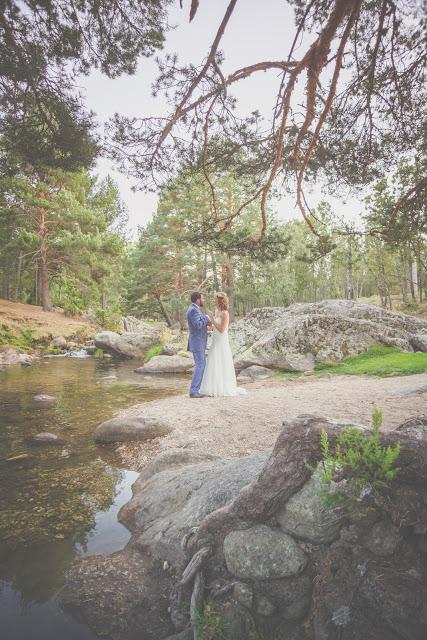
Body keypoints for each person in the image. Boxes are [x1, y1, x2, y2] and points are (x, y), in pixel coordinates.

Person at [199, 292, 247, 397]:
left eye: (215, 299)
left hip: (221, 340)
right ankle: (212, 387)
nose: (213, 300)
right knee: (213, 361)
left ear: (220, 300)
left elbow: (222, 329)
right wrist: (208, 328)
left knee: (221, 360)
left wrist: (212, 319)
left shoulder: (225, 313)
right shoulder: (216, 311)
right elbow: (214, 327)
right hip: (215, 339)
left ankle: (223, 388)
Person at [186, 291, 212, 398]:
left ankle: (196, 389)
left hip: (198, 341)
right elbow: (198, 325)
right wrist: (207, 318)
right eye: (203, 298)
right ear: (198, 299)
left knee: (201, 365)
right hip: (197, 342)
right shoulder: (193, 310)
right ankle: (194, 391)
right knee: (200, 365)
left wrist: (207, 331)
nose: (204, 300)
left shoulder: (195, 309)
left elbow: (199, 326)